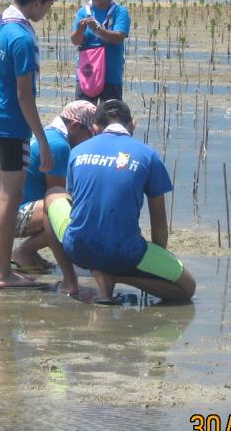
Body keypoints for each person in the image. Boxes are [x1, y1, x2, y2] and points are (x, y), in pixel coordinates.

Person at [46, 99, 196, 303]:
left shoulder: (76, 152)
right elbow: (159, 222)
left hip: (79, 249)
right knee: (187, 288)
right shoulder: (149, 156)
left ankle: (69, 280)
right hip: (126, 253)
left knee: (53, 193)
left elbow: (77, 202)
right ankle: (117, 275)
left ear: (96, 127)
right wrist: (158, 262)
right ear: (132, 124)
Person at [0, 0, 61, 289]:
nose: (48, 11)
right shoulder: (22, 38)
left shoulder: (0, 21)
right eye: (49, 5)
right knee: (10, 199)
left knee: (4, 196)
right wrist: (42, 139)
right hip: (11, 123)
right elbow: (24, 95)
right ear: (39, 2)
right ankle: (2, 273)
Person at [11, 100, 97, 272]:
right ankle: (23, 251)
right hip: (19, 215)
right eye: (90, 134)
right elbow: (56, 197)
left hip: (11, 212)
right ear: (74, 125)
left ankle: (31, 252)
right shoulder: (59, 146)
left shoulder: (48, 133)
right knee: (70, 211)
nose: (91, 141)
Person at [70, 0, 130, 104]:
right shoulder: (83, 12)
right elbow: (75, 41)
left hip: (111, 75)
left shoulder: (120, 12)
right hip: (87, 74)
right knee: (82, 119)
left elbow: (118, 38)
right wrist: (80, 30)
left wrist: (97, 29)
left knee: (109, 120)